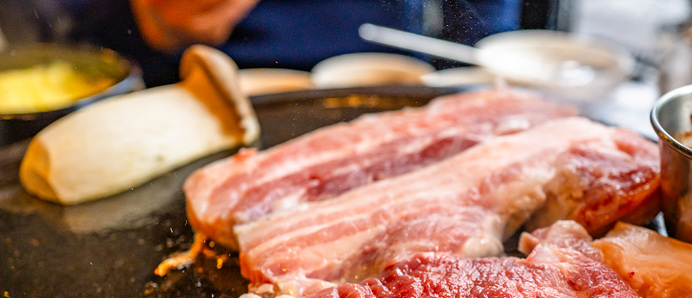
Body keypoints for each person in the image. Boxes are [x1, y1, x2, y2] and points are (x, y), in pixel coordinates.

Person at [57, 0, 522, 86]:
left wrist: (484, 59)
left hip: (398, 77)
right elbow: (63, 24)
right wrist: (142, 19)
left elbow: (482, 19)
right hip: (212, 83)